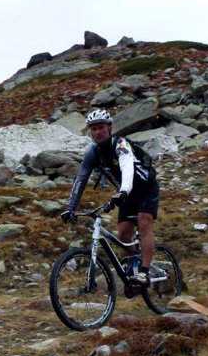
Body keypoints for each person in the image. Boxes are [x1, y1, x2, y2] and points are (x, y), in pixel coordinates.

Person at [61, 109, 160, 286]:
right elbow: (81, 179)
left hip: (145, 188)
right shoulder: (93, 153)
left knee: (144, 222)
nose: (98, 132)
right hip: (126, 193)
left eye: (101, 127)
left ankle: (144, 272)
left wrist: (123, 191)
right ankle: (132, 270)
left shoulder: (121, 144)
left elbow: (127, 167)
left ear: (109, 128)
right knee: (123, 232)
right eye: (94, 129)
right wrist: (70, 207)